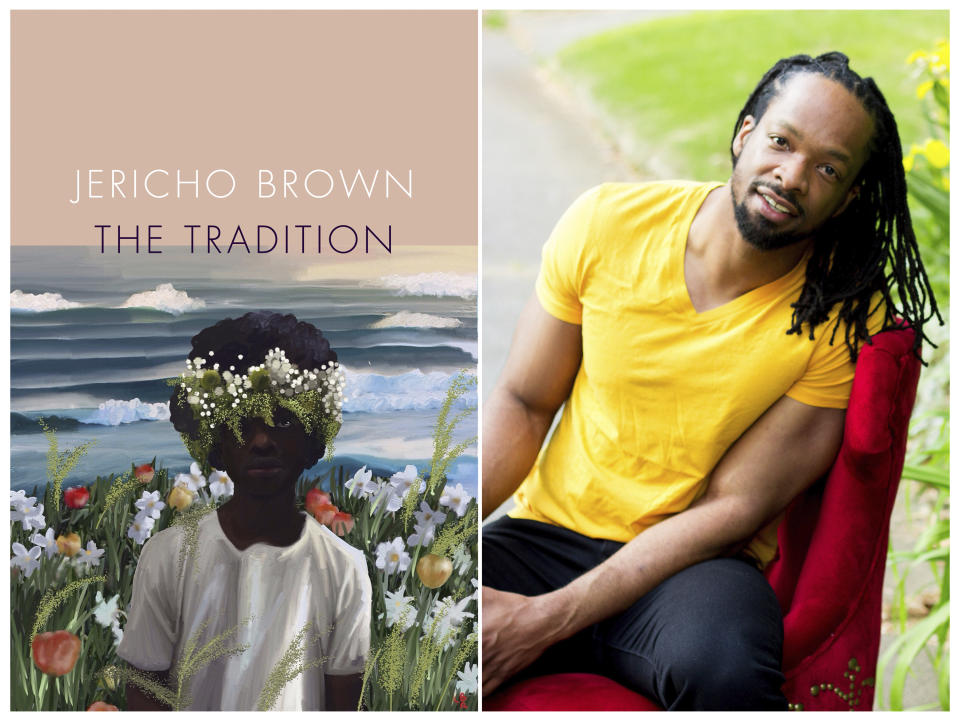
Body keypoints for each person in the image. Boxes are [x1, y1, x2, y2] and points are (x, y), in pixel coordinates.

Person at [481, 52, 941, 710]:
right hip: (546, 536)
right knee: (387, 613)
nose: (791, 175)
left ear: (849, 197)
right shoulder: (607, 224)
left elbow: (735, 508)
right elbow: (525, 404)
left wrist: (546, 620)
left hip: (691, 571)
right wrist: (432, 536)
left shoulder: (842, 317)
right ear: (744, 133)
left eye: (828, 168)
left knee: (726, 670)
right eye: (781, 142)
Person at [118, 311, 371, 711]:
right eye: (240, 425)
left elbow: (343, 706)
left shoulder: (343, 567)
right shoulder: (168, 555)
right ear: (215, 439)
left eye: (283, 421)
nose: (262, 441)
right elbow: (144, 695)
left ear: (311, 437)